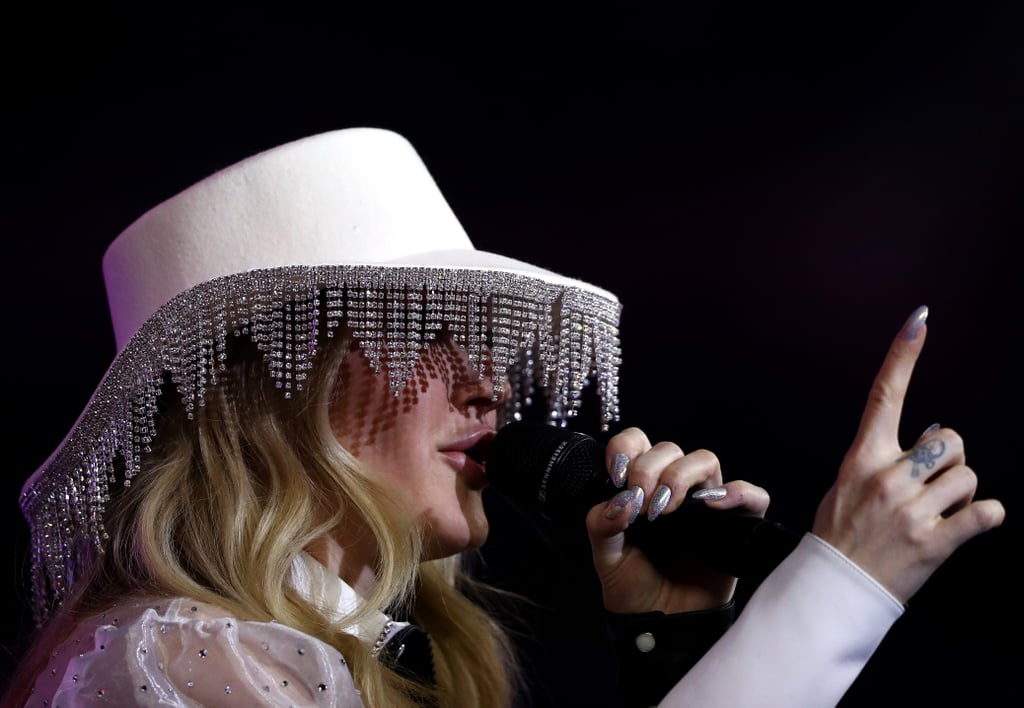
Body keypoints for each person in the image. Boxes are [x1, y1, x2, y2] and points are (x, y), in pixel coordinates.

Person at [2, 127, 1004, 708]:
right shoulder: (182, 662)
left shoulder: (306, 652)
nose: (491, 386)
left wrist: (677, 652)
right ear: (272, 387)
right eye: (422, 331)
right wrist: (834, 592)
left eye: (489, 346)